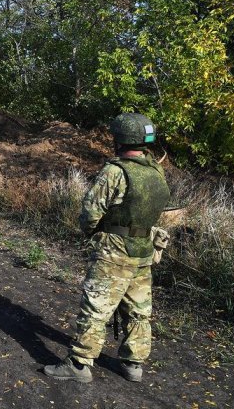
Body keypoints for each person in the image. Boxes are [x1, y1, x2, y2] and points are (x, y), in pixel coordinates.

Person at [44, 113, 171, 384]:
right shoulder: (155, 171)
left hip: (114, 251)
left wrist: (90, 232)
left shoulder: (115, 171)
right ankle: (133, 364)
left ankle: (79, 365)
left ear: (120, 139)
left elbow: (90, 213)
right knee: (138, 310)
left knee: (96, 307)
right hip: (143, 250)